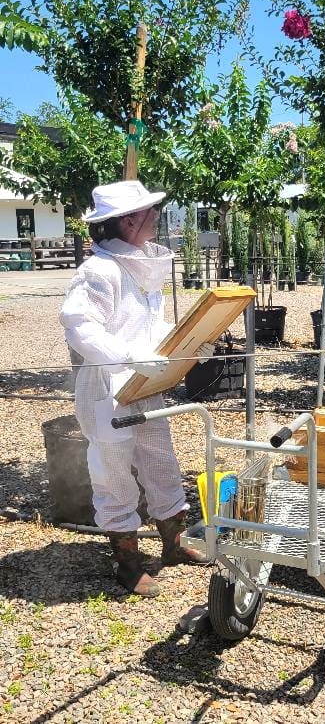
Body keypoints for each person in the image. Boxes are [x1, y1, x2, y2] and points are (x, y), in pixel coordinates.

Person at [60, 181, 214, 598]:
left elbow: (151, 327)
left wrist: (192, 342)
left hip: (145, 381)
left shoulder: (140, 267)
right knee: (112, 469)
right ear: (129, 220)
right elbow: (79, 324)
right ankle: (127, 561)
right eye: (150, 212)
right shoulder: (99, 270)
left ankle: (173, 543)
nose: (157, 218)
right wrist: (127, 355)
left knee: (160, 458)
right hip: (107, 385)